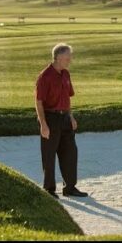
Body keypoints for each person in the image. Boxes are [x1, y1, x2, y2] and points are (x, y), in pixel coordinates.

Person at [35, 43, 88, 199]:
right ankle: (49, 189)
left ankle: (70, 188)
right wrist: (43, 124)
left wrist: (71, 117)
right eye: (67, 58)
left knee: (71, 153)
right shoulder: (44, 76)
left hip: (65, 118)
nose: (69, 61)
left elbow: (67, 98)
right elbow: (38, 102)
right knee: (49, 155)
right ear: (58, 57)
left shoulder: (66, 74)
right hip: (50, 118)